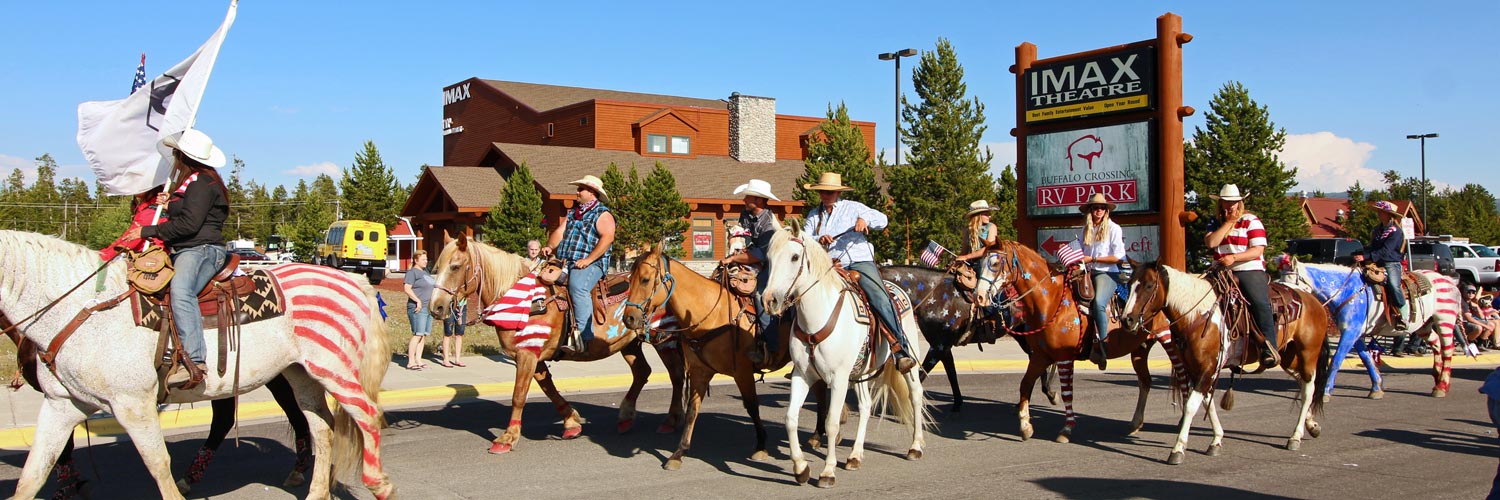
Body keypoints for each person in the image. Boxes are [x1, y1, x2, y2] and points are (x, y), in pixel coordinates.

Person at [123, 129, 231, 388]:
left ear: (184, 157)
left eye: (175, 154)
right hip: (188, 248)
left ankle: (195, 361)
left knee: (181, 291)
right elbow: (188, 211)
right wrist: (170, 203)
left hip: (201, 250)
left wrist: (148, 231)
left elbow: (189, 225)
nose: (173, 158)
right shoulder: (195, 183)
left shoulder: (202, 184)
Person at [801, 172, 916, 373]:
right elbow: (805, 238)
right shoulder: (814, 215)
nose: (825, 195)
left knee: (879, 297)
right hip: (829, 265)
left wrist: (864, 219)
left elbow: (882, 219)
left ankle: (900, 349)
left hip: (857, 261)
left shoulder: (853, 208)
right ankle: (801, 354)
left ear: (837, 192)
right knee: (802, 295)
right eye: (822, 192)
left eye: (829, 192)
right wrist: (819, 238)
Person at [1204, 184, 1278, 371]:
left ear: (1240, 203)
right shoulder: (1215, 222)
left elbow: (1258, 249)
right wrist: (1228, 223)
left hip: (1248, 268)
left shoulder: (1251, 221)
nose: (1230, 207)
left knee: (1259, 302)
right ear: (1220, 204)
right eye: (1226, 203)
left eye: (1234, 203)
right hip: (1221, 269)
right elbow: (1212, 242)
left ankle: (1269, 347)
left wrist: (1234, 258)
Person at [543, 175, 616, 358]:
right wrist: (549, 247)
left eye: (581, 189)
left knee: (578, 287)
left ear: (592, 193)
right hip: (567, 261)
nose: (577, 192)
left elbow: (608, 238)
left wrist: (589, 260)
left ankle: (584, 337)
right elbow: (559, 233)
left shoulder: (602, 214)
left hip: (593, 263)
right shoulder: (574, 213)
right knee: (543, 279)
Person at [719, 179, 781, 365]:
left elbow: (760, 255)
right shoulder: (746, 214)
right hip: (749, 257)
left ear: (760, 200)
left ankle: (772, 347)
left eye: (748, 196)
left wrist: (733, 259)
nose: (744, 199)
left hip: (771, 262)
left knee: (761, 296)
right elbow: (741, 237)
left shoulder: (769, 223)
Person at [1075, 193, 1126, 370]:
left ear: (1106, 211)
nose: (1099, 210)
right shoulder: (1085, 230)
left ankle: (1103, 343)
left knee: (1098, 303)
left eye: (1102, 208)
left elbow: (1119, 257)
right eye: (1095, 207)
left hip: (1107, 273)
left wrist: (1094, 259)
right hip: (1087, 272)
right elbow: (1081, 252)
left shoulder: (1114, 229)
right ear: (1090, 210)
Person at [1352, 200, 1408, 330]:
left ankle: (1403, 313)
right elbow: (1372, 246)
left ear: (1388, 214)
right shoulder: (1377, 230)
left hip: (1391, 263)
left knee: (1394, 286)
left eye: (1381, 212)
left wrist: (1366, 257)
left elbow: (1386, 251)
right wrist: (1361, 253)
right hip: (1375, 262)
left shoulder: (1396, 231)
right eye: (1378, 211)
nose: (1378, 214)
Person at [100, 186, 166, 261]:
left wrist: (103, 256)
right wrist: (104, 253)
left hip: (149, 257)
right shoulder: (147, 208)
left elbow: (130, 240)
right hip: (145, 254)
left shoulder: (152, 211)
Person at [403, 250, 435, 370]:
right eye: (423, 259)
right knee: (417, 334)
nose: (425, 261)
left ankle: (418, 359)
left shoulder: (426, 272)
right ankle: (411, 361)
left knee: (423, 335)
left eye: (426, 259)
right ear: (416, 260)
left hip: (428, 308)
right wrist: (417, 300)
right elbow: (407, 288)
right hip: (417, 308)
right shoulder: (412, 273)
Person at [953, 200, 999, 264]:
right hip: (970, 263)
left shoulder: (992, 227)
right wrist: (957, 260)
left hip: (986, 265)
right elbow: (964, 250)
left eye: (989, 214)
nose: (989, 216)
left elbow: (989, 248)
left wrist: (966, 257)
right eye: (986, 214)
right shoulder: (967, 230)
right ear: (978, 216)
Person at [440, 296, 468, 367]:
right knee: (448, 333)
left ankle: (457, 359)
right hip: (450, 305)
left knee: (460, 333)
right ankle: (446, 359)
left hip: (462, 306)